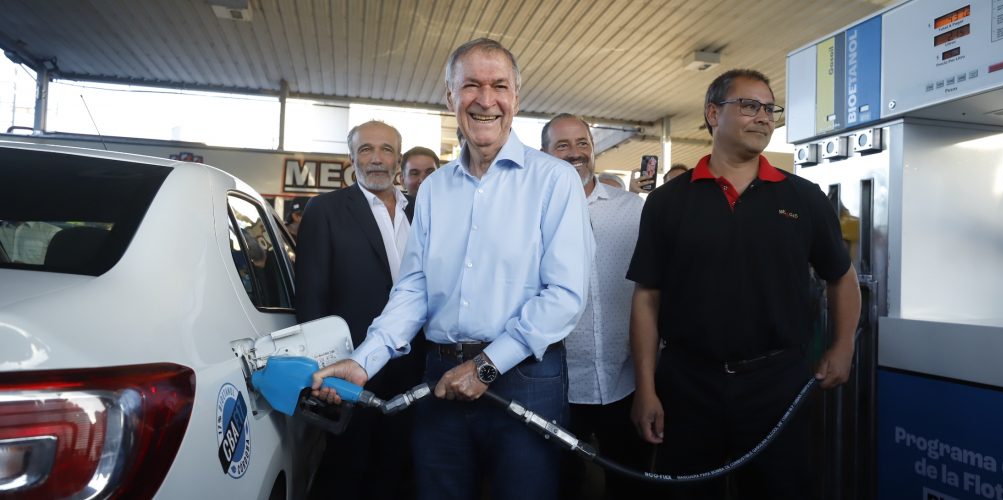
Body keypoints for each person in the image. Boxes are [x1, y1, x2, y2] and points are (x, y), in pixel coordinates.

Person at [311, 38, 593, 500]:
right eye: (471, 86)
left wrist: (483, 367)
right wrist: (363, 363)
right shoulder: (436, 188)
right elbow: (414, 289)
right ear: (449, 96)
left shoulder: (554, 180)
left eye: (499, 86)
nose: (485, 100)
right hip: (439, 377)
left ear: (516, 98)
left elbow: (564, 297)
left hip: (525, 379)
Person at [627, 68, 861, 499]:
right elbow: (647, 299)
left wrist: (843, 345)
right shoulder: (668, 202)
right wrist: (646, 388)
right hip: (689, 384)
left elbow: (842, 278)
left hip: (778, 383)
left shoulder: (803, 198)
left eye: (770, 109)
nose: (764, 118)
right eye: (749, 106)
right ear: (713, 113)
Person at [294, 120, 423, 500]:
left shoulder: (422, 212)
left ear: (399, 159)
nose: (377, 159)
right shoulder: (326, 210)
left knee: (399, 467)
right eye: (366, 149)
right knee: (348, 469)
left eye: (386, 150)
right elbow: (311, 297)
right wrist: (323, 369)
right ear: (350, 158)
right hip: (351, 365)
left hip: (415, 365)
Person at [541, 114, 650, 499]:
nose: (575, 154)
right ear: (544, 154)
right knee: (561, 485)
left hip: (624, 381)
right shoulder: (530, 214)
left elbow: (652, 288)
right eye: (563, 145)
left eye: (582, 144)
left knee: (629, 483)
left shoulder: (632, 209)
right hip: (554, 383)